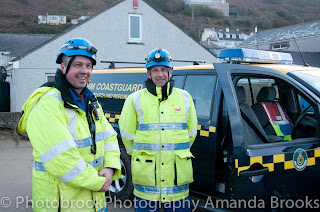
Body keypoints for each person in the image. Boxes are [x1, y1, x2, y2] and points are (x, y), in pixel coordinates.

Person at [18, 38, 121, 212]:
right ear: (63, 67)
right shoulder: (47, 104)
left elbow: (109, 136)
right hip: (61, 204)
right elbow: (61, 158)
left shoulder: (90, 101)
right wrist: (99, 182)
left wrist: (110, 168)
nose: (84, 71)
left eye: (89, 66)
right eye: (78, 65)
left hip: (95, 201)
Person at [119, 49, 198, 211]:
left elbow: (191, 134)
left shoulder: (185, 98)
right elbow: (127, 135)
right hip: (147, 182)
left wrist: (175, 152)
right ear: (148, 74)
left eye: (164, 70)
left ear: (171, 72)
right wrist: (142, 155)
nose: (160, 74)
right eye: (155, 70)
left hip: (177, 183)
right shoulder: (134, 99)